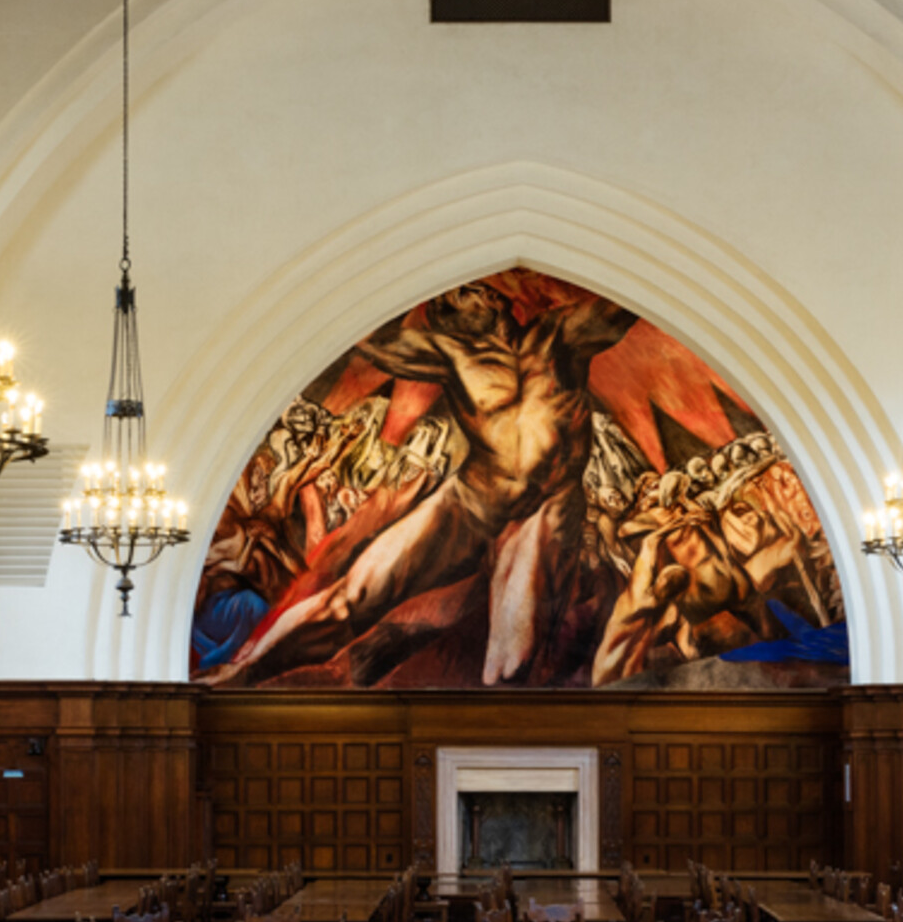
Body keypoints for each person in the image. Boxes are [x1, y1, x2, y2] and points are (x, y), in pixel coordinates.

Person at [211, 280, 635, 686]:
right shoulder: (448, 353)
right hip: (471, 499)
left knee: (510, 664)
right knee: (350, 597)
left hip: (545, 508)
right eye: (456, 292)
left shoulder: (557, 336)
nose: (473, 290)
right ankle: (243, 669)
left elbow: (626, 301)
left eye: (476, 288)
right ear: (444, 315)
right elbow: (368, 337)